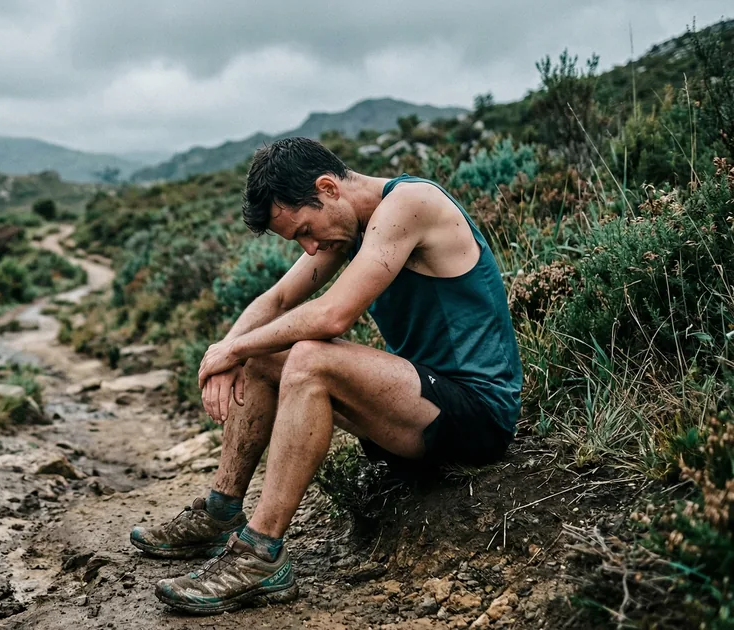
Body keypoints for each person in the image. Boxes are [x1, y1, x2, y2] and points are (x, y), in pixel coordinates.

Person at [130, 137, 523, 615]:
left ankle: (260, 554)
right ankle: (221, 512)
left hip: (477, 414)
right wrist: (226, 355)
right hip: (417, 409)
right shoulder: (347, 226)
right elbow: (275, 302)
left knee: (308, 358)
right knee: (263, 355)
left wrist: (232, 348)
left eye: (305, 230)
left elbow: (333, 316)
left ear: (327, 188)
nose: (310, 246)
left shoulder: (411, 204)